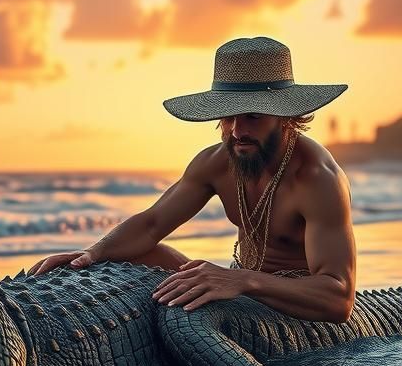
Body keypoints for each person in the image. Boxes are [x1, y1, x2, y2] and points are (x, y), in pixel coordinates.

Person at [28, 36, 356, 324]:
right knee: (137, 253)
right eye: (228, 117)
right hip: (240, 284)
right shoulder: (216, 163)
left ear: (285, 118)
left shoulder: (316, 178)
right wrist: (91, 254)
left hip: (296, 301)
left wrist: (244, 280)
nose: (237, 131)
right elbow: (152, 224)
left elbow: (339, 299)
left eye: (253, 117)